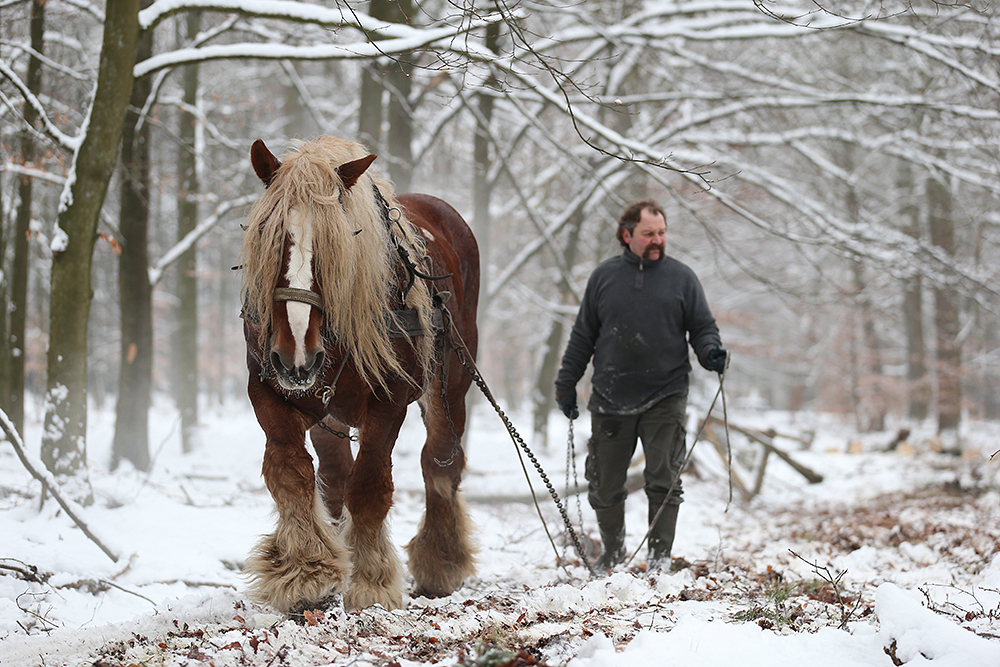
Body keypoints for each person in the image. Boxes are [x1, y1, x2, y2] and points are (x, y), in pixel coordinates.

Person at [554, 199, 728, 571]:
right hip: (611, 395)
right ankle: (614, 553)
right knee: (604, 485)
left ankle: (659, 558)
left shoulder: (682, 278)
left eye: (662, 233)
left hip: (666, 392)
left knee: (664, 480)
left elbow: (702, 328)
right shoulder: (603, 278)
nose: (657, 240)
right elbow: (583, 336)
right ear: (626, 235)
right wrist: (566, 383)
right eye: (649, 233)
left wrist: (710, 351)